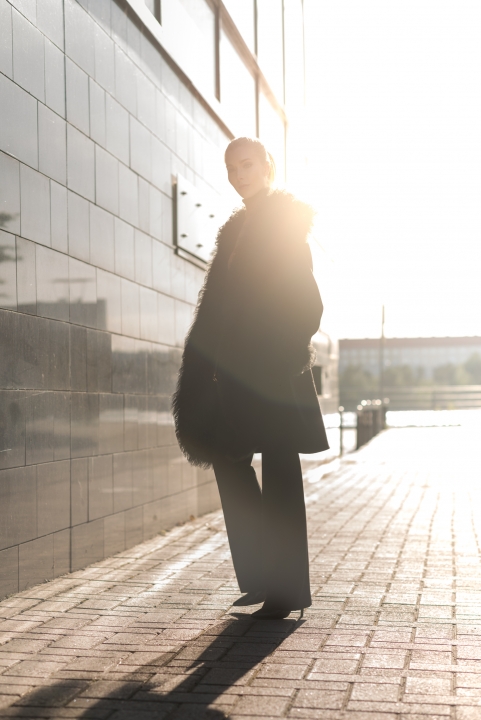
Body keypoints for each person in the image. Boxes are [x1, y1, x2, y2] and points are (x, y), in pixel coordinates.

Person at [173, 137, 329, 618]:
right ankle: (262, 576)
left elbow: (309, 306)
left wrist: (275, 356)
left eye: (248, 164)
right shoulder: (237, 230)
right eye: (231, 167)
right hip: (231, 377)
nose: (239, 174)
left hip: (272, 374)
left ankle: (285, 592)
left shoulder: (283, 224)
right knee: (227, 457)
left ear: (268, 167)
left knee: (281, 472)